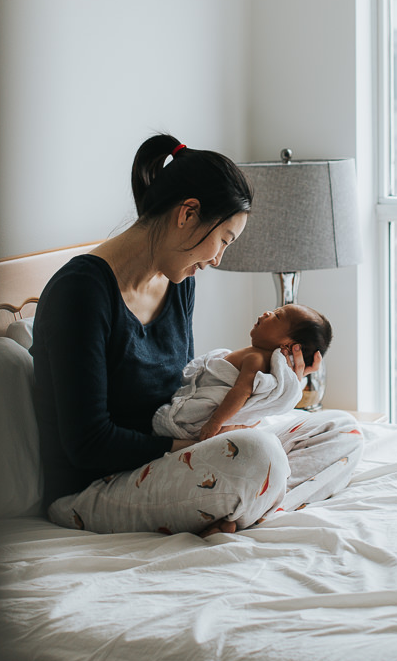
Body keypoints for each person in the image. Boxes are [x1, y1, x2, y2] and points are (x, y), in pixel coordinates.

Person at [31, 134, 363, 537]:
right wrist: (197, 447)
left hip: (173, 451)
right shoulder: (81, 292)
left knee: (341, 431)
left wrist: (272, 391)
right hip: (98, 486)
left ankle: (249, 507)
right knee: (258, 455)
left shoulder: (177, 281)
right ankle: (249, 501)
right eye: (223, 240)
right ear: (187, 213)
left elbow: (183, 389)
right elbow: (87, 444)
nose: (217, 260)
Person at [151, 304, 333, 442]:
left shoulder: (257, 359)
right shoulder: (256, 354)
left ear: (287, 345)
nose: (268, 313)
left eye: (277, 316)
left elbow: (240, 391)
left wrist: (215, 421)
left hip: (209, 417)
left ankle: (230, 427)